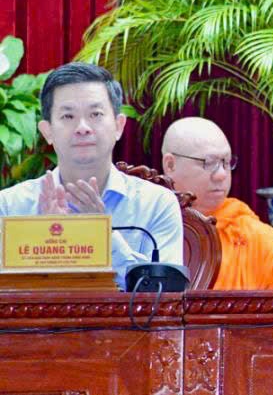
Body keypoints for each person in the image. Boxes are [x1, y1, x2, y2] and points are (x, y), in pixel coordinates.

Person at [0, 62, 182, 287]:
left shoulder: (156, 204)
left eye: (95, 114)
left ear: (118, 126)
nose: (83, 127)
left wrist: (102, 235)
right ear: (47, 131)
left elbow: (165, 296)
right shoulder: (9, 207)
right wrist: (43, 244)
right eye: (68, 116)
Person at [161, 117, 273, 290]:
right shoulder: (151, 222)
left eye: (226, 162)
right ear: (170, 165)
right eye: (208, 163)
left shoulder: (246, 231)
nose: (221, 175)